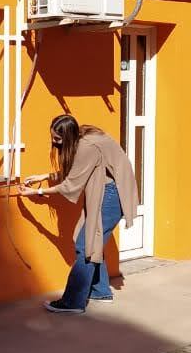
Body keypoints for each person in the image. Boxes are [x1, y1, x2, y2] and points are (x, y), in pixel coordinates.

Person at [22, 114, 139, 313]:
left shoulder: (87, 147)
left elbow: (70, 184)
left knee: (85, 245)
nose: (54, 142)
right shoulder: (83, 137)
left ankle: (72, 302)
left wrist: (38, 192)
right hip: (107, 192)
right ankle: (100, 291)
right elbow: (78, 170)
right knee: (94, 241)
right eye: (52, 137)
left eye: (57, 139)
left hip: (112, 195)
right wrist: (44, 176)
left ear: (68, 136)